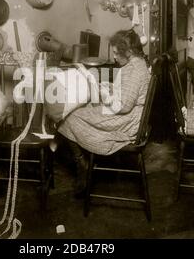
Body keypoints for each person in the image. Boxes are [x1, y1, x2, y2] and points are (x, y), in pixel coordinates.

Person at [57, 29, 150, 197]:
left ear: (128, 51)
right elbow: (129, 93)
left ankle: (82, 164)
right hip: (131, 116)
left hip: (128, 122)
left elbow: (124, 106)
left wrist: (104, 94)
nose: (114, 57)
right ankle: (83, 161)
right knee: (84, 110)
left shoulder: (133, 70)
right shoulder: (138, 64)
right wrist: (109, 87)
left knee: (69, 116)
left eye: (116, 53)